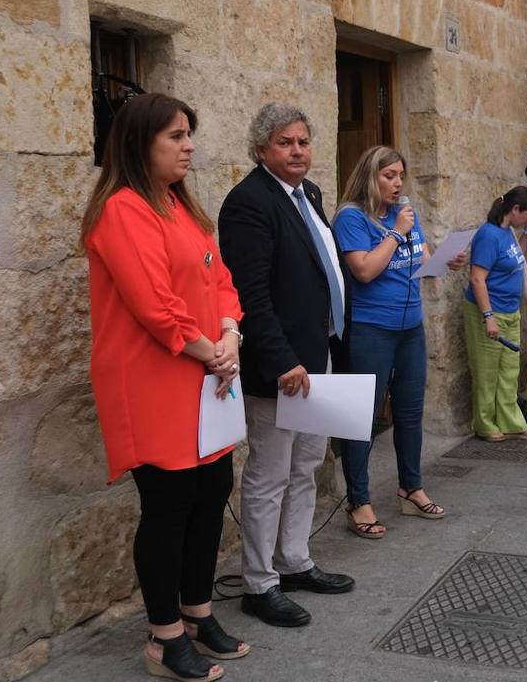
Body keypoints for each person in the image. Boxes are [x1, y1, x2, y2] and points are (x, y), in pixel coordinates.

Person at [82, 93, 248, 682]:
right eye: (176, 136)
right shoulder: (123, 210)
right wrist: (213, 353)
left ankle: (198, 612)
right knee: (170, 505)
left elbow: (221, 278)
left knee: (211, 492)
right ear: (139, 143)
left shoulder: (182, 207)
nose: (190, 146)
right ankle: (163, 636)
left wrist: (229, 333)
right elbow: (155, 305)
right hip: (153, 381)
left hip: (204, 377)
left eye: (189, 135)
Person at [217, 103, 356, 629]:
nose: (297, 151)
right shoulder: (248, 203)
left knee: (307, 464)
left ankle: (294, 561)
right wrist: (280, 360)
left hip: (318, 356)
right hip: (281, 367)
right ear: (260, 149)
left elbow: (321, 274)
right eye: (284, 143)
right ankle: (259, 582)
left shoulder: (310, 195)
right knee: (269, 473)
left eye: (302, 141)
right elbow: (250, 293)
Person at [333, 146, 464, 537]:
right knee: (364, 417)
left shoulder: (404, 214)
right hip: (371, 328)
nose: (397, 183)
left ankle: (411, 487)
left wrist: (445, 258)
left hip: (410, 327)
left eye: (400, 176)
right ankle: (359, 500)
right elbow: (365, 270)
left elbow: (420, 259)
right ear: (370, 176)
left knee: (410, 410)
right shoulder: (351, 218)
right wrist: (396, 232)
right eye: (388, 175)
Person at [465, 186, 527, 441]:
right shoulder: (488, 235)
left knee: (509, 370)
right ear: (515, 209)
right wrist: (489, 317)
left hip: (510, 310)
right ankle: (485, 424)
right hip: (489, 311)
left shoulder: (508, 232)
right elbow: (477, 278)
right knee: (487, 371)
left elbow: (518, 257)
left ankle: (510, 421)